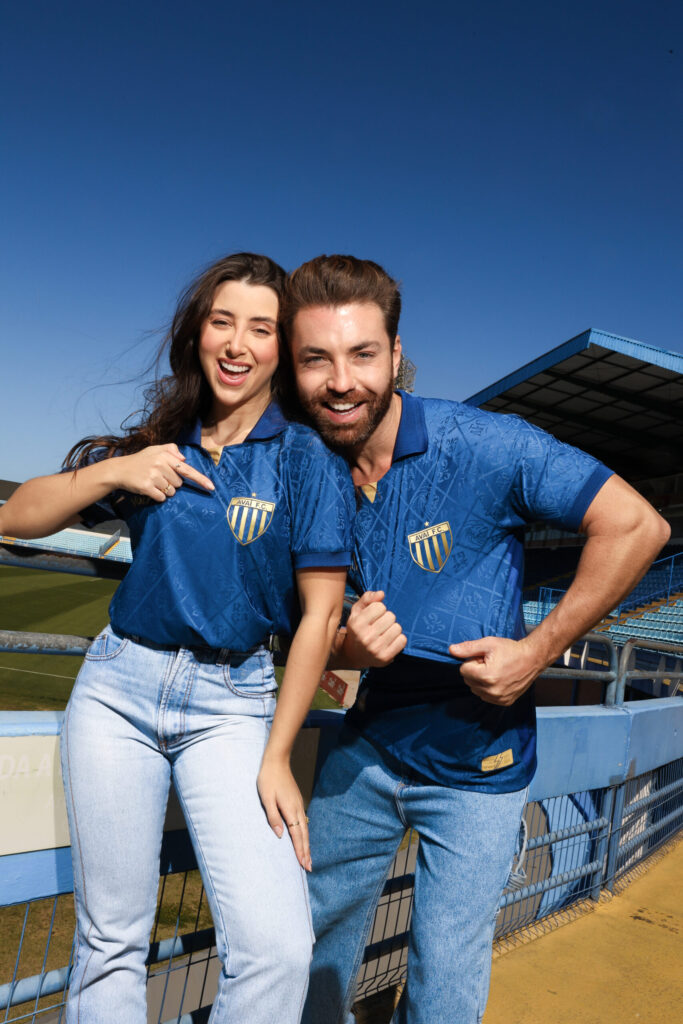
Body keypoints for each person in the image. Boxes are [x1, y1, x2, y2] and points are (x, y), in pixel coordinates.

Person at [279, 254, 671, 1024]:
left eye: (362, 354)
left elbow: (636, 525)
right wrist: (341, 650)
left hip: (478, 765)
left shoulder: (484, 444)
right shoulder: (305, 469)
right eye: (316, 358)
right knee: (303, 948)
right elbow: (287, 615)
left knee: (443, 984)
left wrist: (536, 653)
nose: (341, 381)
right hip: (368, 743)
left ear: (395, 354)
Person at [0, 252, 355, 1024]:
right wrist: (117, 472)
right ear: (196, 333)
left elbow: (321, 612)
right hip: (116, 690)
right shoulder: (159, 443)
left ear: (284, 348)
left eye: (260, 328)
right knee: (109, 943)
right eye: (222, 321)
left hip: (234, 706)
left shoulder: (306, 458)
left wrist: (277, 755)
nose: (237, 343)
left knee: (276, 949)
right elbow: (15, 517)